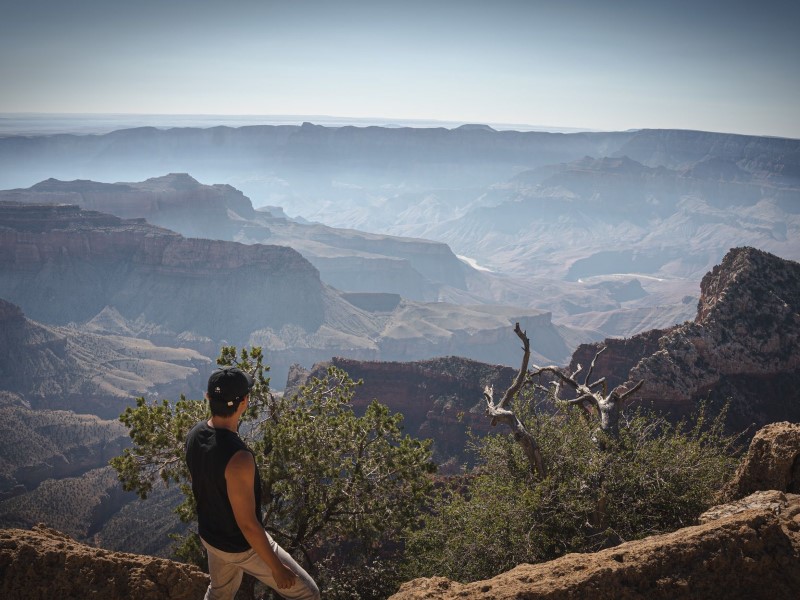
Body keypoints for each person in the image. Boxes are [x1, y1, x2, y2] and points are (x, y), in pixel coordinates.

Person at [185, 366, 320, 600]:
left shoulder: (194, 434)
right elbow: (248, 524)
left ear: (208, 397)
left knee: (219, 594)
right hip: (239, 546)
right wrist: (276, 568)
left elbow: (200, 483)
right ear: (244, 402)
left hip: (210, 537)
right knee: (308, 594)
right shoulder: (239, 458)